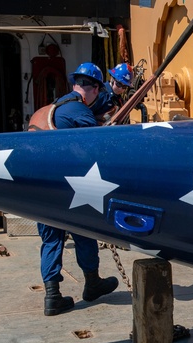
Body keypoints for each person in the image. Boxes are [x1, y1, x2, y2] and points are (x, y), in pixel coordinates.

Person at [37, 62, 119, 315]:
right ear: (93, 89)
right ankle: (92, 281)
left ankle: (53, 295)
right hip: (68, 188)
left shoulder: (56, 107)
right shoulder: (80, 112)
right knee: (84, 229)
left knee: (51, 239)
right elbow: (98, 148)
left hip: (42, 186)